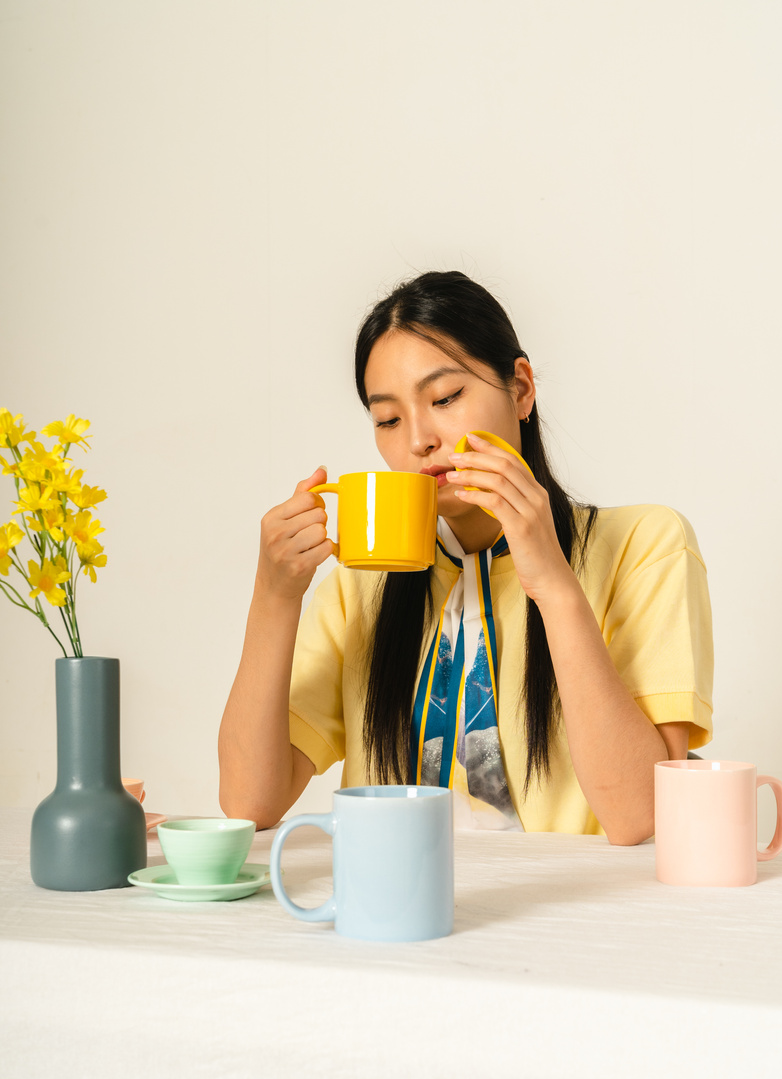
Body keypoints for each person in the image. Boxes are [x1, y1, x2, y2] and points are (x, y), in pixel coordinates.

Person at [219, 271, 713, 843]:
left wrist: (553, 582)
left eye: (445, 398)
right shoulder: (361, 588)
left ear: (521, 388)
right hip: (394, 909)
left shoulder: (644, 545)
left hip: (563, 919)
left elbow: (640, 818)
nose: (419, 439)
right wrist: (274, 595)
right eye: (388, 419)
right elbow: (248, 803)